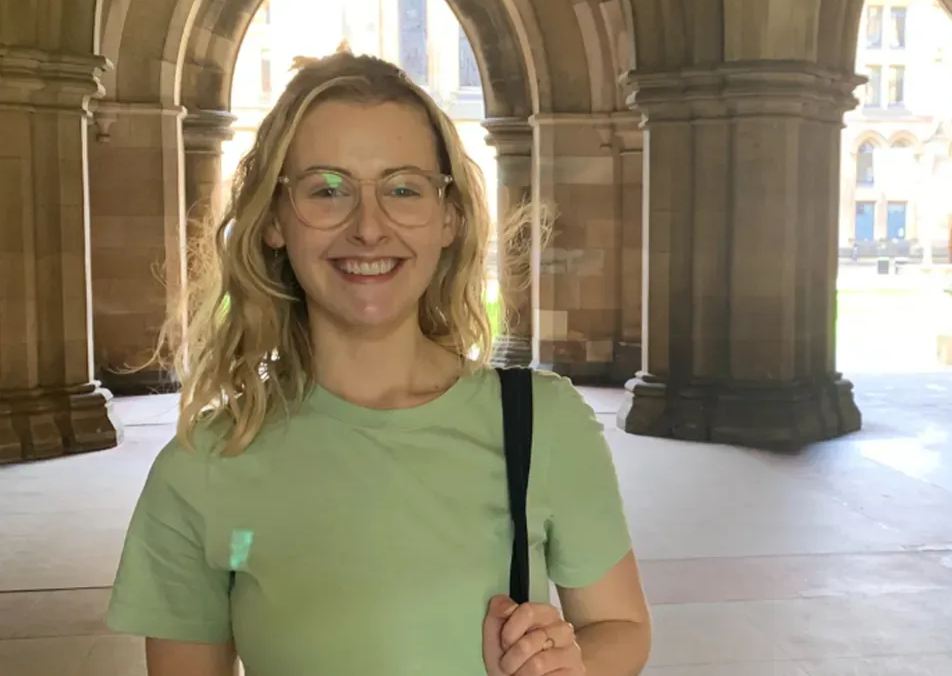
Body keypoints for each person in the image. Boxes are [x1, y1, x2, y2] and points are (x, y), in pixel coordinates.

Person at [106, 52, 651, 676]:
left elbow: (621, 626)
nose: (369, 228)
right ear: (275, 221)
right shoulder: (202, 465)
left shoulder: (539, 422)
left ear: (448, 217)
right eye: (327, 190)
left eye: (402, 188)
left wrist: (570, 665)